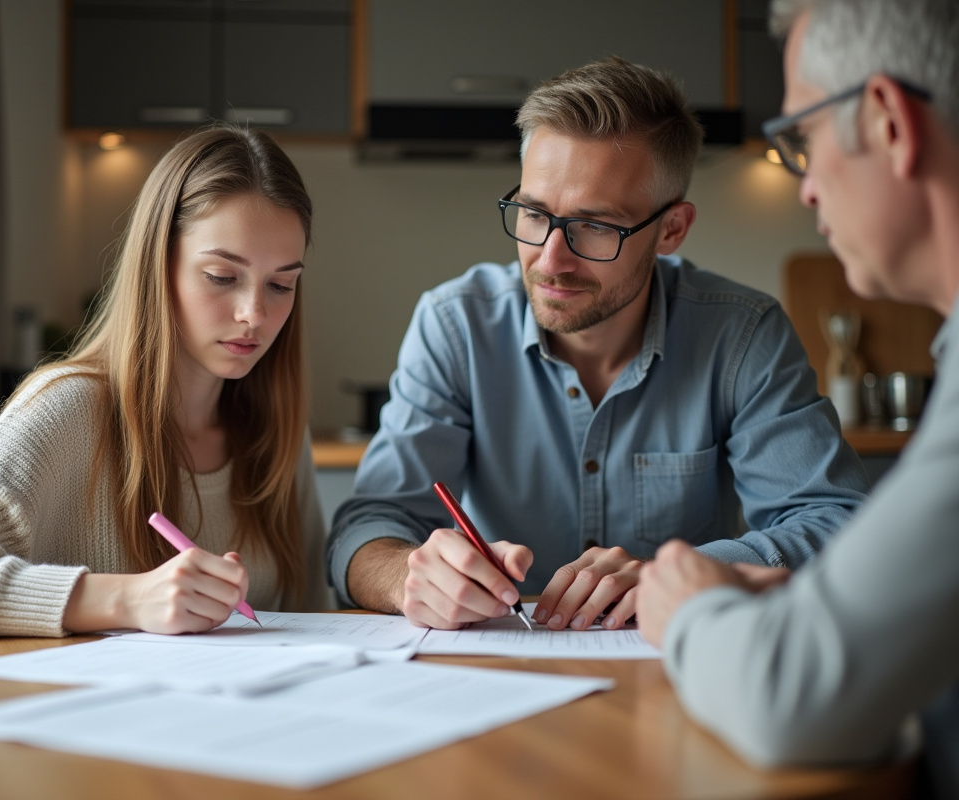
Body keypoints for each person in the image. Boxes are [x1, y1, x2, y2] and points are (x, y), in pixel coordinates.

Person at [328, 57, 869, 632]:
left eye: (596, 226)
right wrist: (408, 576)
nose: (551, 260)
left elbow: (836, 522)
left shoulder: (742, 334)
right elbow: (364, 531)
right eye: (534, 213)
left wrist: (677, 576)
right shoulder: (455, 324)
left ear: (671, 230)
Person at [636, 0, 959, 794]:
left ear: (888, 122)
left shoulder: (742, 329)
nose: (806, 189)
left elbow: (791, 702)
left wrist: (689, 608)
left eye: (804, 138)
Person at [0, 126, 329, 638]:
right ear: (157, 266)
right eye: (222, 276)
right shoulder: (68, 410)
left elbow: (309, 615)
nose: (254, 314)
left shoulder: (276, 431)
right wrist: (125, 599)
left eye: (281, 284)